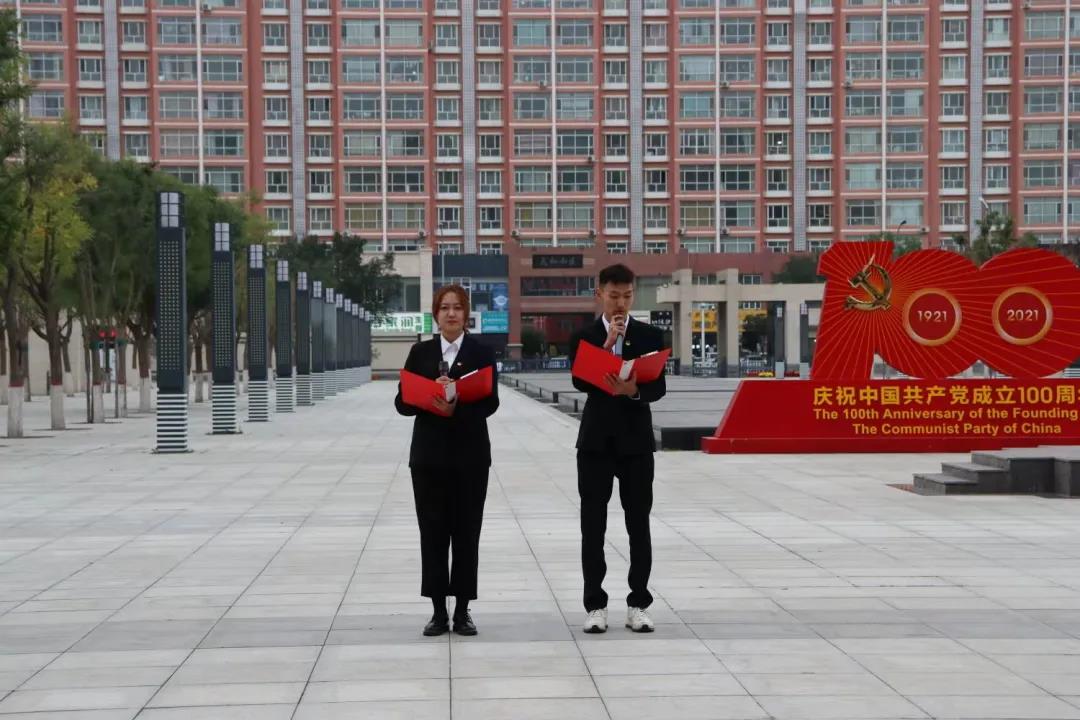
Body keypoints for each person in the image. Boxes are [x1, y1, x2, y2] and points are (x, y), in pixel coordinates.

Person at [394, 284, 499, 637]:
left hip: (471, 456)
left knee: (467, 533)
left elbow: (491, 402)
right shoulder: (420, 352)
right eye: (444, 308)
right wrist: (430, 396)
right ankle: (438, 610)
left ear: (466, 313)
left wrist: (456, 406)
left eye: (457, 307)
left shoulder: (481, 352)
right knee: (433, 533)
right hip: (429, 457)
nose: (451, 313)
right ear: (435, 314)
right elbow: (402, 403)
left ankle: (464, 610)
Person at [568, 263, 667, 634]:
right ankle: (595, 604)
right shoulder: (585, 336)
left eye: (627, 296)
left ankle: (638, 603)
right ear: (600, 294)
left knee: (638, 524)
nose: (620, 303)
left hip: (636, 443)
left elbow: (658, 387)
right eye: (613, 296)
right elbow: (580, 381)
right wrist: (607, 346)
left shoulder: (650, 335)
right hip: (595, 443)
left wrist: (634, 390)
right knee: (592, 526)